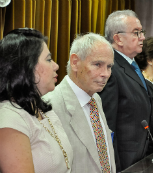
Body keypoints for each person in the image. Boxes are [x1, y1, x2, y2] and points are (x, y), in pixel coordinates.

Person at [0, 28, 73, 172]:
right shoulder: (9, 118)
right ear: (26, 67)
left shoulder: (43, 109)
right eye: (48, 59)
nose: (56, 66)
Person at [43, 33, 116, 173]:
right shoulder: (49, 105)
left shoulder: (95, 99)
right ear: (75, 62)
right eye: (98, 64)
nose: (105, 73)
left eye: (109, 66)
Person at [99, 10, 151, 171]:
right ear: (118, 38)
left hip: (140, 156)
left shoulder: (131, 65)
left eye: (142, 32)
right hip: (124, 161)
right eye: (136, 33)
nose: (142, 37)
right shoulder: (111, 69)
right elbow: (108, 126)